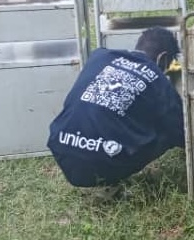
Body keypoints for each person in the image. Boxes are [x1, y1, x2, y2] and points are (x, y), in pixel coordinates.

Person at [47, 27, 185, 194]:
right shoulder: (157, 76)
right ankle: (110, 178)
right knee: (165, 129)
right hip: (106, 162)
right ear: (163, 59)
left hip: (63, 148)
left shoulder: (99, 56)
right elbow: (180, 130)